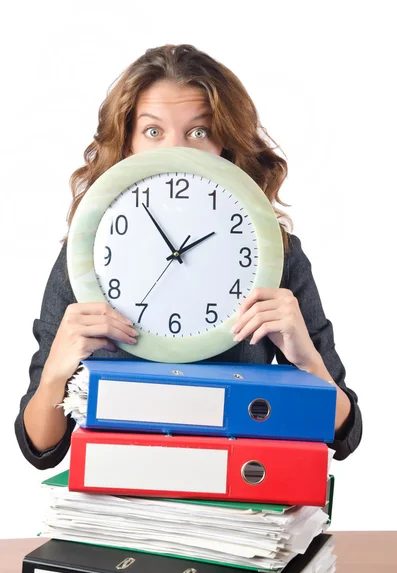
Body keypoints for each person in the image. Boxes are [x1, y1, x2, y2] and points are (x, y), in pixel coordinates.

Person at [15, 44, 362, 469]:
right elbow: (40, 449)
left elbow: (344, 434)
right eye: (154, 131)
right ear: (127, 144)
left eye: (198, 132)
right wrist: (55, 371)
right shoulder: (85, 259)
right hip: (120, 499)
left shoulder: (277, 256)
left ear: (226, 145)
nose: (175, 151)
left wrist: (306, 358)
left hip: (235, 494)